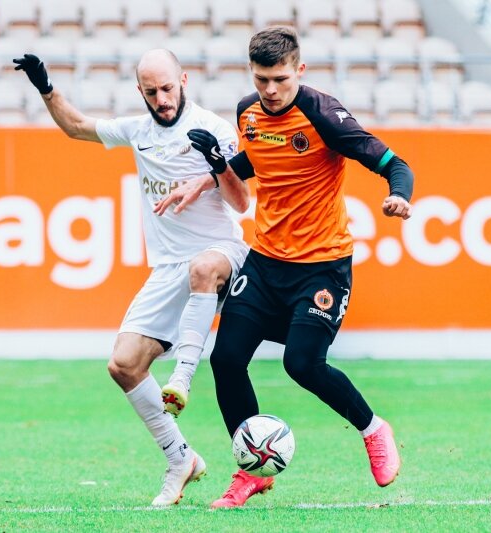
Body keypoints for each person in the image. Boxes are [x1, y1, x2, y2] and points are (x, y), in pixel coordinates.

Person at [155, 26, 414, 508]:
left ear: (300, 70)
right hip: (266, 262)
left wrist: (399, 195)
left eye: (280, 79)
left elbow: (394, 163)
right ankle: (251, 470)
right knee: (226, 359)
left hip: (322, 267)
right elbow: (255, 162)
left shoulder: (324, 115)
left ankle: (374, 429)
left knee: (302, 364)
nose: (270, 90)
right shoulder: (247, 112)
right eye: (261, 79)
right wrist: (210, 173)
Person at [13, 49, 250, 505]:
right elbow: (76, 127)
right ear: (139, 91)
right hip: (169, 267)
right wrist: (45, 86)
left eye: (168, 88)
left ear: (184, 80)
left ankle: (182, 377)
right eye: (152, 92)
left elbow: (241, 203)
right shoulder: (138, 131)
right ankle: (181, 459)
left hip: (222, 253)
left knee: (203, 267)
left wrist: (218, 164)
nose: (162, 99)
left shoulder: (215, 129)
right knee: (123, 364)